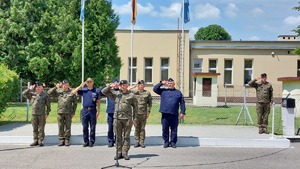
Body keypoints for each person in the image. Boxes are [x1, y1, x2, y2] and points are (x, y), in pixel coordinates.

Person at [101, 80, 137, 160]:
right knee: (118, 137)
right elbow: (103, 92)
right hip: (117, 118)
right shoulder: (116, 93)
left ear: (127, 85)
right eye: (121, 85)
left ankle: (125, 153)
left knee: (126, 137)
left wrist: (134, 118)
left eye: (124, 85)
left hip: (127, 119)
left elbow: (135, 107)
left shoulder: (131, 95)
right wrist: (110, 85)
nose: (123, 86)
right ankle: (119, 152)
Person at [153, 78, 186, 148]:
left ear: (174, 84)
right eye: (169, 83)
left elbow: (182, 103)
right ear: (167, 84)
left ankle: (173, 142)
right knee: (165, 129)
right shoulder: (163, 91)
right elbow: (155, 89)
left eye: (171, 83)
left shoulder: (178, 92)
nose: (170, 84)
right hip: (165, 114)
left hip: (174, 114)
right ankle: (166, 142)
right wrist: (162, 83)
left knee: (174, 129)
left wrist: (182, 112)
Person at [72, 78, 101, 147]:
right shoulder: (84, 90)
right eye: (88, 82)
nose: (89, 83)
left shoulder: (96, 91)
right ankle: (86, 141)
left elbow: (98, 101)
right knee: (85, 127)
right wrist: (81, 85)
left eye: (90, 82)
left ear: (93, 82)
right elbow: (73, 92)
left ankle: (91, 141)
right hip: (85, 110)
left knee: (92, 127)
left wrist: (98, 110)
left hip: (93, 110)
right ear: (86, 83)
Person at [48, 80, 77, 146]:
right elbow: (49, 93)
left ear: (68, 85)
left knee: (68, 126)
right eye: (63, 84)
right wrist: (56, 87)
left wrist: (73, 112)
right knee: (60, 126)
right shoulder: (58, 91)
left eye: (66, 84)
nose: (65, 85)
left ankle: (67, 139)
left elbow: (75, 103)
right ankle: (61, 139)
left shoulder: (72, 92)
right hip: (60, 112)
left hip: (68, 112)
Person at [22, 81, 51, 147]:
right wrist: (29, 89)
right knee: (34, 128)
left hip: (42, 114)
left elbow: (48, 106)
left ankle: (40, 140)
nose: (38, 88)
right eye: (37, 87)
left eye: (39, 87)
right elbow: (23, 93)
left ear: (42, 88)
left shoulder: (45, 95)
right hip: (34, 114)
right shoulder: (32, 94)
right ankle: (35, 140)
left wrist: (47, 114)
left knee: (41, 128)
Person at [129, 80, 152, 148]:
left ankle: (142, 142)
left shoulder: (147, 93)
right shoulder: (134, 92)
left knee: (142, 128)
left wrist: (148, 112)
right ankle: (137, 141)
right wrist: (134, 86)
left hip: (143, 114)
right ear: (138, 86)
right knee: (136, 128)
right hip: (136, 114)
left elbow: (150, 104)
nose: (141, 86)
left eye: (142, 85)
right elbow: (127, 89)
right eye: (139, 85)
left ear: (144, 85)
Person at [105, 79, 119, 148]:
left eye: (117, 83)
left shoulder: (121, 91)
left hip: (118, 112)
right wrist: (109, 86)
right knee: (110, 127)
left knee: (118, 127)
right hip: (110, 111)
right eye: (114, 83)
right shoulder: (109, 91)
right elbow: (101, 91)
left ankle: (117, 140)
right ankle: (111, 141)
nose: (116, 84)